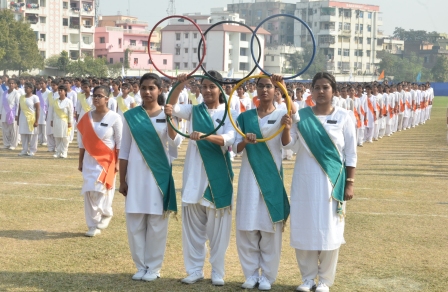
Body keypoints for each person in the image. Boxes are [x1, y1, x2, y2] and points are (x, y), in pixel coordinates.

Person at [283, 72, 357, 292]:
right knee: (304, 226)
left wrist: (350, 182)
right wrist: (287, 127)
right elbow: (290, 146)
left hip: (332, 181)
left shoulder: (344, 116)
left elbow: (351, 154)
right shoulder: (301, 115)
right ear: (311, 91)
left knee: (329, 229)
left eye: (326, 87)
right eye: (317, 87)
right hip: (304, 180)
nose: (321, 91)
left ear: (333, 90)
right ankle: (307, 278)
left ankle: (324, 280)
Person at [165, 71, 236, 287]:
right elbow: (171, 107)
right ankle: (195, 270)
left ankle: (217, 271)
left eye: (212, 87)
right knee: (193, 229)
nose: (206, 91)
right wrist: (180, 83)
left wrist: (205, 136)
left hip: (218, 176)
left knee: (218, 230)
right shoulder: (194, 111)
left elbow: (229, 139)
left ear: (220, 89)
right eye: (203, 86)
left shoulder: (229, 112)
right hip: (194, 175)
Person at [233, 75, 296, 291]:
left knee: (270, 228)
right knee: (248, 227)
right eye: (260, 86)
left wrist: (286, 127)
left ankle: (268, 276)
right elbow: (235, 148)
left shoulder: (282, 114)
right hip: (249, 178)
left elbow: (287, 145)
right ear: (255, 89)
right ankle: (250, 274)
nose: (265, 90)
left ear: (275, 90)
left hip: (271, 178)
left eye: (269, 86)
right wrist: (243, 141)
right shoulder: (245, 116)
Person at [119, 73, 181, 282]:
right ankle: (140, 265)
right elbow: (124, 150)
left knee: (156, 222)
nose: (147, 92)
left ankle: (154, 267)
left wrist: (171, 119)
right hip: (135, 175)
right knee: (135, 221)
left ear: (159, 90)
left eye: (152, 88)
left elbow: (175, 143)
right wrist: (122, 180)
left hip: (159, 174)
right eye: (144, 88)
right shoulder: (131, 116)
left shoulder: (168, 114)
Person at [77, 85, 122, 237]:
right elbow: (82, 142)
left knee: (101, 188)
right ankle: (92, 225)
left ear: (107, 99)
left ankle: (106, 212)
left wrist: (118, 163)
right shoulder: (86, 116)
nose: (96, 98)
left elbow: (120, 142)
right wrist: (80, 161)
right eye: (94, 95)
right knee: (89, 191)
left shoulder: (114, 117)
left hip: (107, 160)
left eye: (100, 96)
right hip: (90, 159)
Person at [48, 85, 73, 158]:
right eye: (59, 90)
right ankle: (58, 152)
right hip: (56, 120)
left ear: (65, 92)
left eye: (61, 90)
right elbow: (52, 112)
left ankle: (64, 152)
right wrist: (52, 120)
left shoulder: (68, 101)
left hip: (65, 121)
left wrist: (70, 122)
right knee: (57, 136)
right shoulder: (55, 101)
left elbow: (70, 112)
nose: (59, 92)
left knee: (65, 137)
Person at [17, 82, 40, 156]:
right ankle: (24, 150)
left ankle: (32, 150)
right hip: (23, 118)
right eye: (25, 88)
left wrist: (36, 120)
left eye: (27, 88)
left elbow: (38, 109)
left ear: (31, 89)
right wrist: (18, 119)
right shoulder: (21, 97)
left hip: (31, 118)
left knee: (32, 135)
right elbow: (19, 109)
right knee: (23, 134)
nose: (26, 89)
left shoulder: (35, 97)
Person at [1, 78, 20, 150]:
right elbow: (1, 103)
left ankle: (13, 144)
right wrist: (0, 112)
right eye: (9, 83)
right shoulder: (4, 92)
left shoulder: (16, 93)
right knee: (5, 129)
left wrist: (17, 114)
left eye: (12, 83)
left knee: (13, 129)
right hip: (4, 112)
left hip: (13, 113)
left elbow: (18, 104)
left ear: (15, 85)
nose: (11, 84)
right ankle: (6, 144)